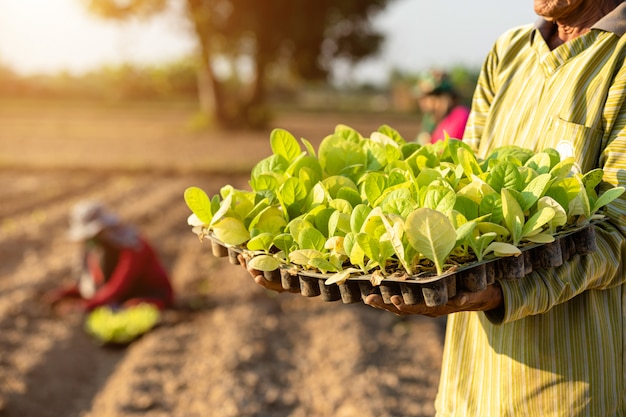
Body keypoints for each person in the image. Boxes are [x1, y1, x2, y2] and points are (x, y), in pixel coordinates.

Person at [243, 1, 626, 415]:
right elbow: (460, 187)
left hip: (566, 388)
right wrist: (314, 257)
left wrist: (501, 291)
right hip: (469, 383)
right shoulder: (509, 51)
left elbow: (618, 234)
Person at [45, 200, 174, 313]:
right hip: (120, 297)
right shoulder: (97, 248)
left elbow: (120, 284)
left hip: (149, 296)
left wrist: (85, 306)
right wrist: (64, 294)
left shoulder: (132, 246)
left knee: (124, 310)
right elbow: (94, 284)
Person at [414, 69, 470, 144]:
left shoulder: (459, 116)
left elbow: (445, 150)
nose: (422, 101)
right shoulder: (430, 119)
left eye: (427, 96)